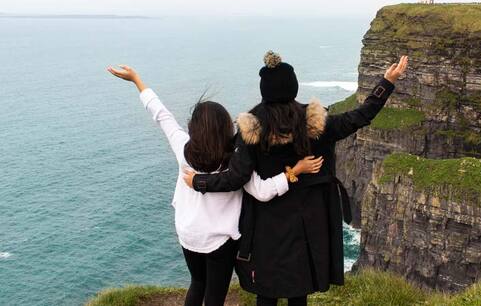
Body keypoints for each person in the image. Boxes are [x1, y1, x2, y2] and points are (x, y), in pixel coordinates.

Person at [183, 52, 409, 305]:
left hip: (265, 223)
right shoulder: (316, 123)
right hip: (308, 217)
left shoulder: (252, 130)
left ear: (264, 90)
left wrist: (199, 183)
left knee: (266, 291)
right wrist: (386, 82)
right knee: (298, 288)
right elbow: (360, 116)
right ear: (293, 86)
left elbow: (235, 178)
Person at [107, 65, 324, 306]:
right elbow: (262, 192)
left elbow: (161, 115)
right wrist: (295, 171)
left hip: (188, 234)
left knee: (197, 283)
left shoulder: (183, 148)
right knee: (214, 294)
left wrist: (137, 80)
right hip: (220, 241)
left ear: (194, 128)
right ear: (225, 129)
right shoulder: (235, 161)